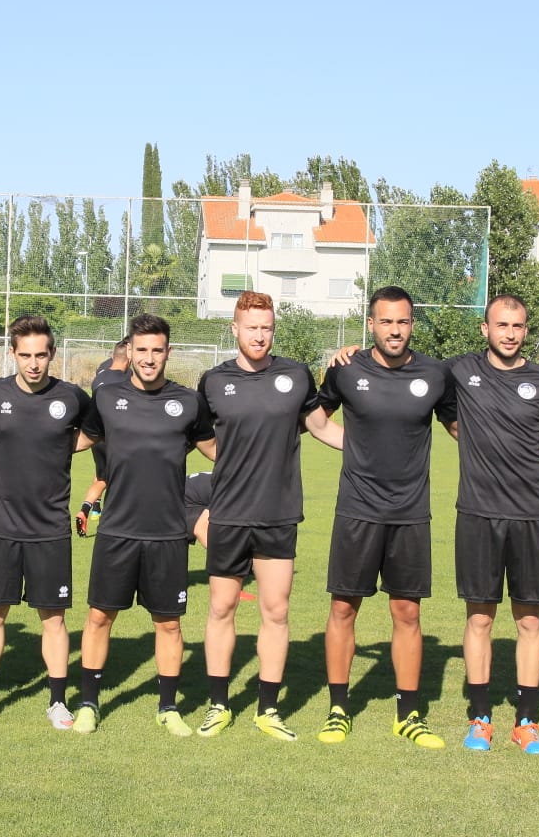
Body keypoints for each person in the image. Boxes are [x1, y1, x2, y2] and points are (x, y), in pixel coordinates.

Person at [196, 291, 344, 741]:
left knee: (276, 611)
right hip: (229, 512)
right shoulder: (213, 381)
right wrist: (230, 462)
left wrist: (371, 451)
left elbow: (320, 426)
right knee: (221, 607)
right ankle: (218, 705)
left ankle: (267, 708)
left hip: (278, 513)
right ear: (234, 330)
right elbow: (203, 434)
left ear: (272, 329)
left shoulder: (295, 375)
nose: (259, 335)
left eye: (266, 327)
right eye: (251, 327)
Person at [314, 286, 456, 747]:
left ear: (412, 324)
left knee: (407, 611)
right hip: (356, 508)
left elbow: (460, 428)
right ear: (371, 324)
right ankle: (338, 708)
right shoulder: (347, 369)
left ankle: (409, 713)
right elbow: (314, 419)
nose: (395, 330)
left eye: (403, 322)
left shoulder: (435, 374)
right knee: (342, 607)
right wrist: (350, 448)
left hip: (411, 513)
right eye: (386, 321)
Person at [69, 314, 216, 736]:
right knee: (99, 618)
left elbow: (218, 453)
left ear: (168, 352)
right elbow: (75, 442)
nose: (149, 358)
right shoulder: (107, 399)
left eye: (157, 350)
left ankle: (168, 707)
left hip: (168, 532)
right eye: (142, 350)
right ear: (129, 351)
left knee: (169, 623)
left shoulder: (188, 402)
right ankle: (88, 703)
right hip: (116, 530)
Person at [445, 294, 539, 755]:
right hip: (477, 514)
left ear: (526, 330)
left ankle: (526, 721)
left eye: (518, 326)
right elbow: (406, 369)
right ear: (485, 329)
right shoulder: (459, 372)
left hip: (533, 516)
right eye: (501, 325)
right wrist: (350, 356)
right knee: (479, 617)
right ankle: (480, 717)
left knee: (530, 621)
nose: (510, 333)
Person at [0, 316, 93, 729]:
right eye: (26, 355)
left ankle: (58, 702)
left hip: (50, 528)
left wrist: (59, 450)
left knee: (53, 618)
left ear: (52, 354)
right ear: (13, 353)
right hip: (1, 525)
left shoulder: (73, 398)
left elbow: (95, 432)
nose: (34, 363)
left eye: (41, 355)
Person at [77, 337, 130, 530]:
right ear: (130, 356)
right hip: (115, 438)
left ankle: (88, 507)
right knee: (121, 480)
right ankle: (112, 520)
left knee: (102, 476)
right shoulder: (126, 380)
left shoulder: (99, 376)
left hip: (95, 438)